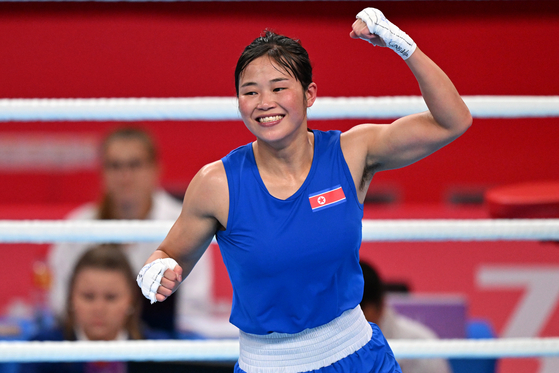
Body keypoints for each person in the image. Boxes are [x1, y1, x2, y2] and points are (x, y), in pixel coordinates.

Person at [136, 7, 472, 373]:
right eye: (250, 92)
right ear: (238, 102)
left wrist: (403, 46)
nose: (265, 103)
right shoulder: (216, 184)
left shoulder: (352, 152)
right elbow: (170, 255)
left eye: (279, 88)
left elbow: (452, 121)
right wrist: (156, 271)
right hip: (267, 364)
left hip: (358, 356)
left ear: (309, 94)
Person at [48, 127, 213, 335]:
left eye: (134, 165)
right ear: (102, 173)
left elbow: (193, 310)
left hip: (161, 351)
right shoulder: (78, 226)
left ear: (156, 169)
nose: (125, 176)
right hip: (89, 347)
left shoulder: (184, 225)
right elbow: (59, 304)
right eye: (115, 166)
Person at [20, 244, 170, 373]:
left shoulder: (159, 352)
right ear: (71, 299)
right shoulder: (43, 351)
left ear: (131, 300)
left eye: (111, 297)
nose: (99, 308)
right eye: (88, 296)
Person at [360, 261, 452, 373]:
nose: (352, 321)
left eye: (359, 311)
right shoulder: (336, 347)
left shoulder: (422, 346)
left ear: (379, 305)